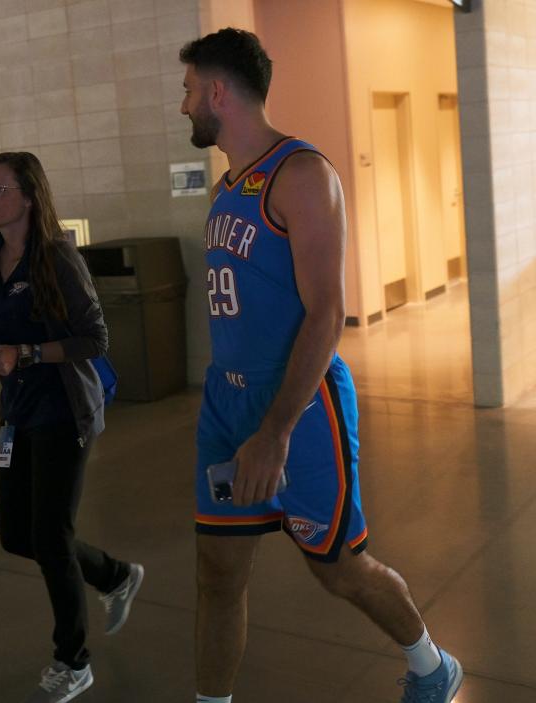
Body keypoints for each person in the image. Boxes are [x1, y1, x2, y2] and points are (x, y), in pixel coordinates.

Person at [180, 30, 462, 703]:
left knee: (339, 570)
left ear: (218, 91)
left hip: (298, 411)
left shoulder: (301, 174)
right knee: (216, 571)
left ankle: (431, 665)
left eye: (188, 90)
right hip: (227, 403)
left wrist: (275, 430)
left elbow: (326, 312)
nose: (183, 104)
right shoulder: (228, 187)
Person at [0, 152, 144, 703]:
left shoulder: (56, 256)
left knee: (51, 537)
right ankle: (114, 576)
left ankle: (72, 661)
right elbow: (5, 328)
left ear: (29, 196)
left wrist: (25, 353)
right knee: (18, 535)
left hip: (63, 410)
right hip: (19, 412)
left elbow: (95, 338)